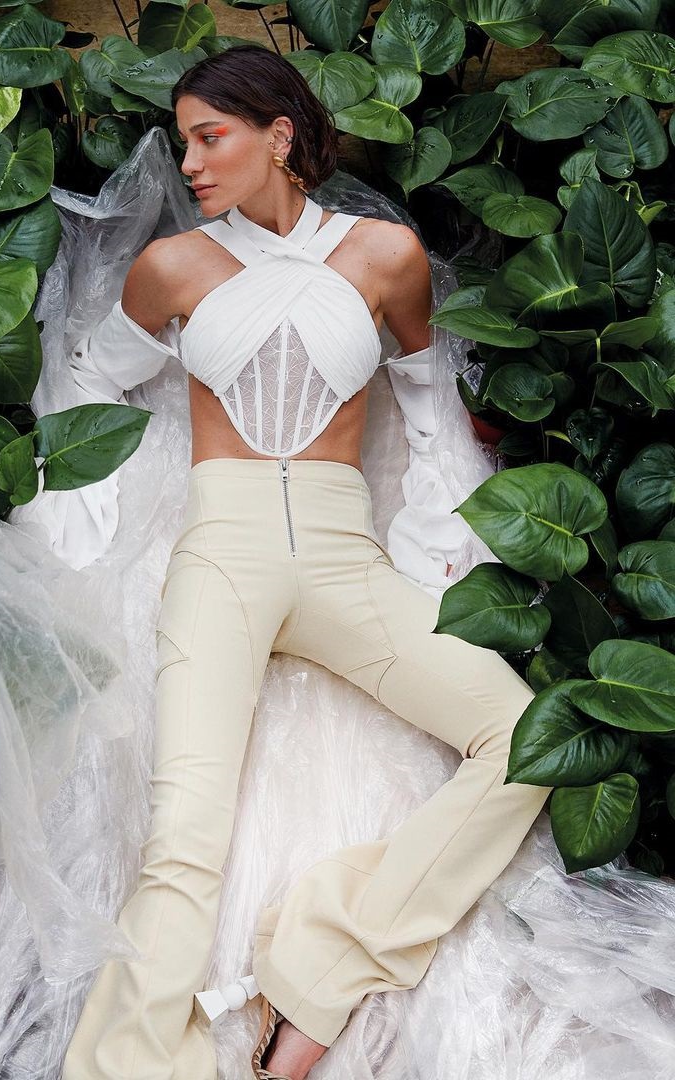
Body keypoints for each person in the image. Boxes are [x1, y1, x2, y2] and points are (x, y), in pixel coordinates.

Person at [58, 45, 553, 1080]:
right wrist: (78, 517)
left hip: (343, 558)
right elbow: (87, 384)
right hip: (221, 558)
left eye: (210, 137)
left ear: (279, 135)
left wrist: (439, 543)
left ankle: (322, 976)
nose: (190, 164)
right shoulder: (173, 268)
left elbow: (428, 403)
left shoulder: (385, 256)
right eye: (183, 142)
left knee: (521, 737)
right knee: (183, 843)